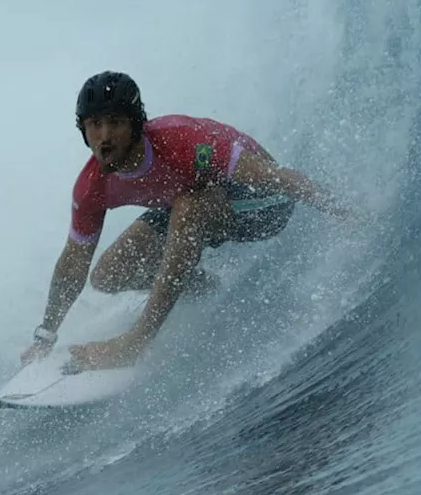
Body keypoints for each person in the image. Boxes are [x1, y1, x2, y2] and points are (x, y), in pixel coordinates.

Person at [21, 71, 366, 372]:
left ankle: (138, 340)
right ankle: (204, 287)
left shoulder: (184, 144)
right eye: (95, 125)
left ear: (136, 124)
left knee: (188, 206)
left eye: (115, 122)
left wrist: (348, 213)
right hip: (193, 202)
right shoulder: (92, 186)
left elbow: (277, 179)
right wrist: (46, 334)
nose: (104, 136)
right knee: (108, 273)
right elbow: (73, 263)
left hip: (264, 206)